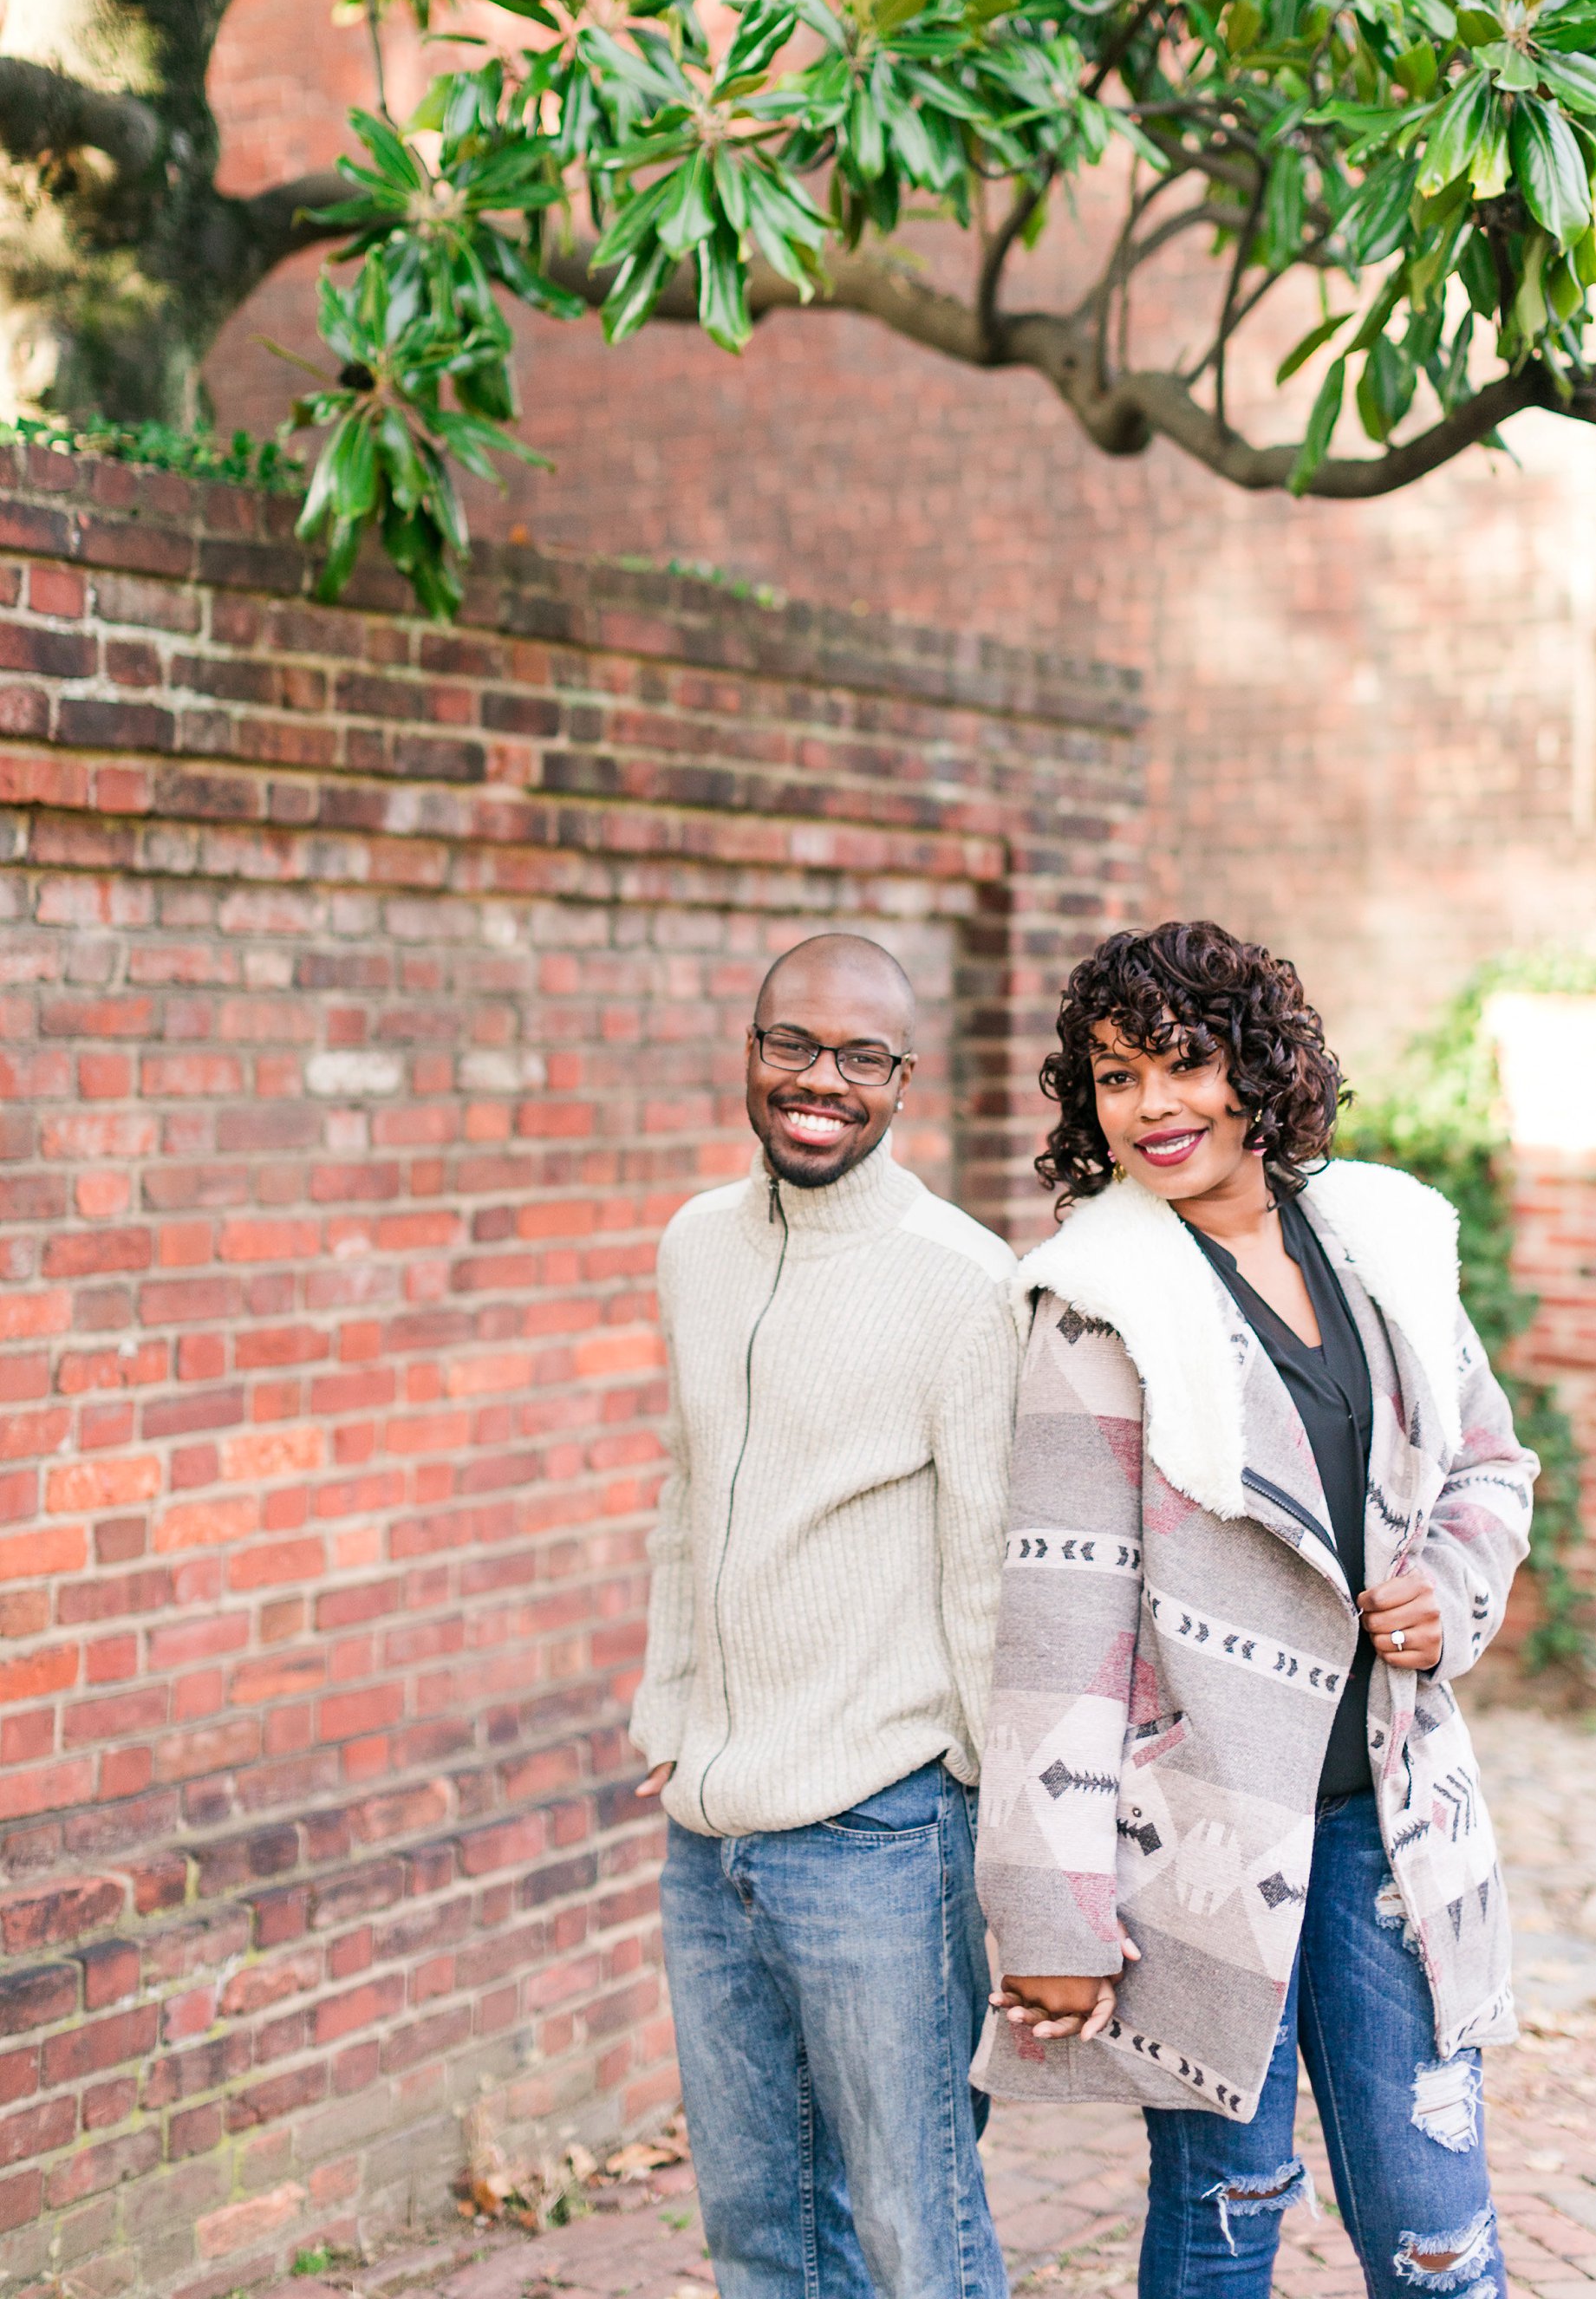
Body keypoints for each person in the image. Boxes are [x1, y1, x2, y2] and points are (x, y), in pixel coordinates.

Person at [974, 921, 1538, 2299]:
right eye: (1116, 1077)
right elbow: (1063, 1620)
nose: (1154, 1107)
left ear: (1260, 1066)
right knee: (1227, 2207)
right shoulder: (1096, 1306)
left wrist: (1451, 1590)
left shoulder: (1381, 1245)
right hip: (1204, 1842)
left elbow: (1489, 1464)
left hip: (1389, 1819)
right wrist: (1051, 1916)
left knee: (1437, 2222)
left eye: (1186, 1063)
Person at [631, 931, 1020, 2299]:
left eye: (861, 1057)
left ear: (904, 1083)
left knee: (924, 2239)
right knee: (761, 2236)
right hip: (712, 1832)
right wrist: (672, 1718)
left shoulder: (966, 1282)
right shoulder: (694, 1247)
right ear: (748, 1051)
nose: (820, 1080)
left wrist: (1002, 1847)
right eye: (792, 1043)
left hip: (883, 1833)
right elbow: (687, 1497)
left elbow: (990, 1587)